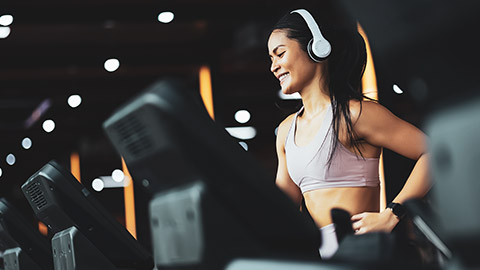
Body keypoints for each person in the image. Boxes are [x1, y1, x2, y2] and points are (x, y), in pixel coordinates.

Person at [268, 5, 431, 259]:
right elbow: (282, 210)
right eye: (271, 59)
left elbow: (433, 153)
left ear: (315, 48)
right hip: (322, 259)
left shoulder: (356, 114)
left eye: (280, 54)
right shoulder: (287, 130)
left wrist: (391, 215)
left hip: (365, 255)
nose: (274, 66)